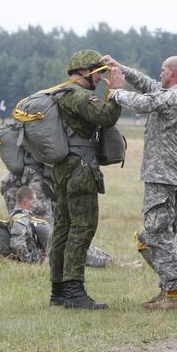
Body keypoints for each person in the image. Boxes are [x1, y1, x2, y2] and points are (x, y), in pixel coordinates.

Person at [103, 54, 177, 310]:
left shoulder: (173, 96)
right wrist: (121, 68)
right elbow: (147, 86)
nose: (159, 74)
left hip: (162, 174)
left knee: (158, 230)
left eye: (163, 70)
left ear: (174, 73)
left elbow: (144, 102)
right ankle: (169, 289)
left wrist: (116, 93)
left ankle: (173, 292)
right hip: (171, 173)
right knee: (162, 230)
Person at [48, 50, 123, 310]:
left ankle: (59, 290)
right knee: (82, 227)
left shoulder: (62, 95)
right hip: (80, 168)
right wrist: (114, 91)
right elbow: (107, 117)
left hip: (63, 167)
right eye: (99, 73)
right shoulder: (80, 96)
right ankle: (74, 291)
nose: (102, 79)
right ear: (84, 72)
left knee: (63, 227)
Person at [8, 186, 49, 264]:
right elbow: (18, 244)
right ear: (25, 202)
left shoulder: (15, 215)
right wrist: (29, 261)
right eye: (33, 202)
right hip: (30, 263)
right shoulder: (21, 220)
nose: (34, 206)